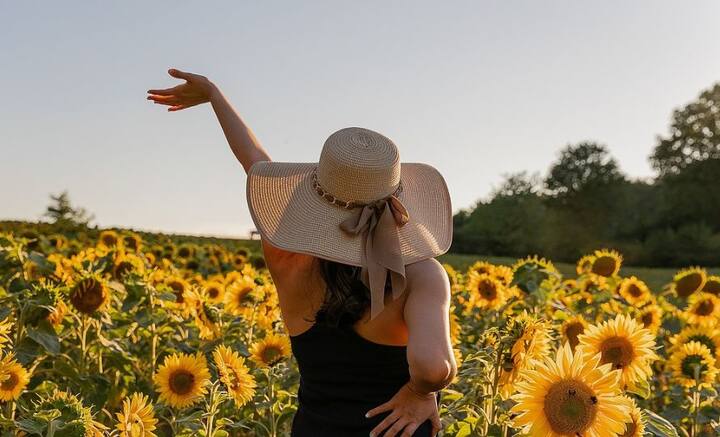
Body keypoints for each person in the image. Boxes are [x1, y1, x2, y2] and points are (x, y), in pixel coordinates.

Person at [147, 68, 457, 437]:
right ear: (396, 197)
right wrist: (420, 392)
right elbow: (432, 365)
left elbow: (256, 165)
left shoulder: (287, 255)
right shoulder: (420, 274)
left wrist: (215, 96)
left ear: (316, 197)